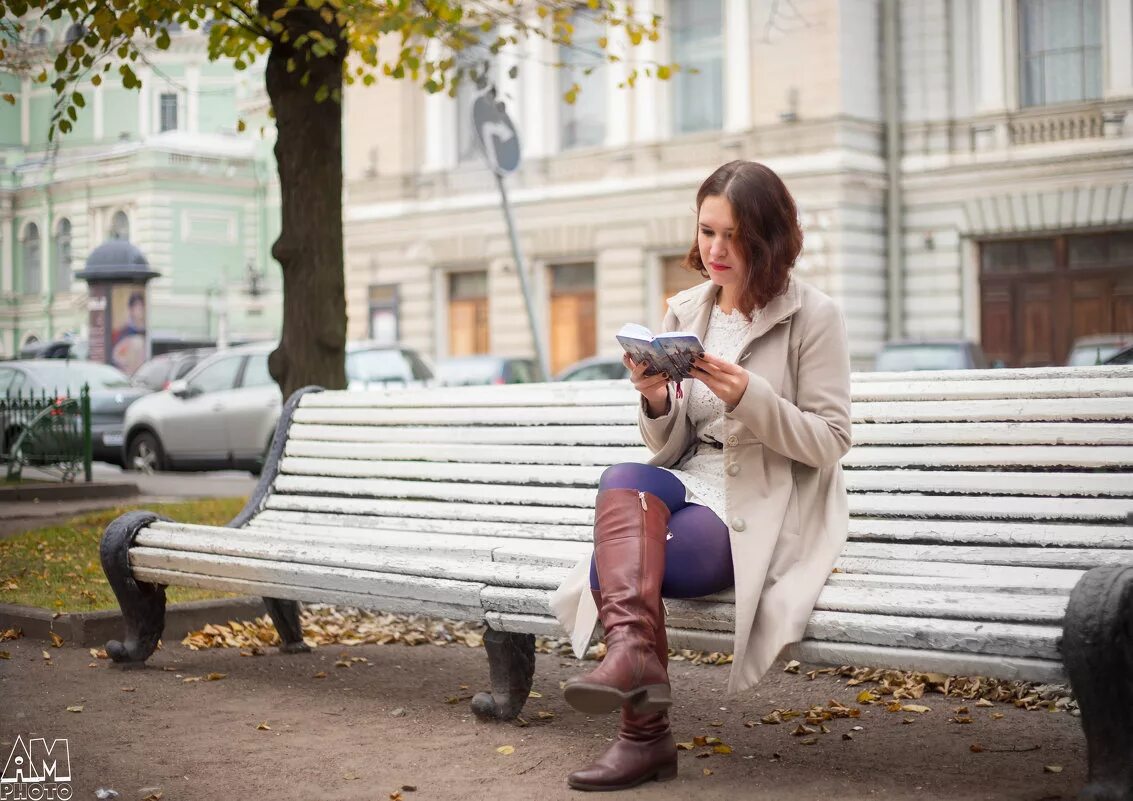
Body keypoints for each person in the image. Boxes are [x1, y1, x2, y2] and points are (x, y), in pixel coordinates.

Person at [550, 160, 852, 792]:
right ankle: (634, 678)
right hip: (690, 480)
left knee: (621, 564)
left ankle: (642, 732)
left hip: (765, 498)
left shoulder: (813, 316)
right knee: (622, 478)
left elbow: (829, 442)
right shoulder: (688, 308)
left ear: (767, 239)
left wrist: (750, 397)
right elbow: (673, 441)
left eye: (733, 236)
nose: (715, 250)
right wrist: (658, 399)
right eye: (707, 230)